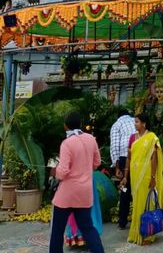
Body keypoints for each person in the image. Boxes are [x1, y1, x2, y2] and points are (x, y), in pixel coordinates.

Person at [49, 111, 104, 253]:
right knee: (88, 228)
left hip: (66, 195)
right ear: (80, 124)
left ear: (65, 126)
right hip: (85, 192)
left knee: (57, 231)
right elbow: (97, 162)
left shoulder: (67, 143)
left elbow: (63, 172)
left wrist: (55, 171)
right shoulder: (91, 139)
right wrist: (84, 168)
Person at [120, 113, 163, 246]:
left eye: (137, 122)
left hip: (147, 175)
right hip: (135, 175)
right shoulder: (132, 138)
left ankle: (148, 235)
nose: (135, 124)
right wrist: (125, 176)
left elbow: (154, 158)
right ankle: (137, 232)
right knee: (137, 203)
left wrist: (153, 177)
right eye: (135, 122)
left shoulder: (151, 138)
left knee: (147, 203)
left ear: (144, 124)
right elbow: (129, 158)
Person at [110, 108, 136, 230]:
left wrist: (117, 168)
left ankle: (122, 221)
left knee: (125, 190)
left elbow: (115, 146)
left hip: (124, 158)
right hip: (138, 158)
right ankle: (138, 218)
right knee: (137, 188)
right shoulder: (136, 121)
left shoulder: (117, 125)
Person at [65, 170, 102, 247]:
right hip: (88, 177)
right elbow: (96, 163)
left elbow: (63, 168)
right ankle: (89, 238)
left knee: (75, 209)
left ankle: (78, 237)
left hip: (74, 178)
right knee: (90, 210)